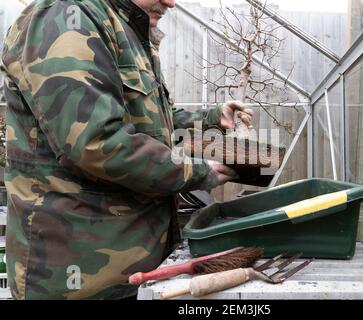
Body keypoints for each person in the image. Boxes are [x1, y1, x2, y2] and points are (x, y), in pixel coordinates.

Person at [0, 0, 253, 300]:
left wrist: (212, 119)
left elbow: (152, 125)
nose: (171, 2)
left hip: (134, 271)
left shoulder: (124, 29)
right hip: (81, 279)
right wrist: (200, 172)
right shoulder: (68, 17)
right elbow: (96, 143)